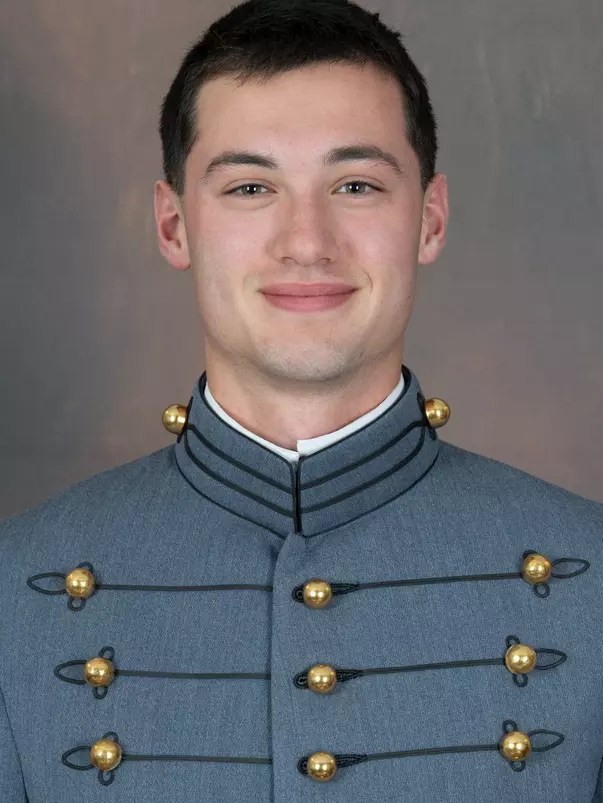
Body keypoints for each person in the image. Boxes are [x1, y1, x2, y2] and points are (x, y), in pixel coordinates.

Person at [1, 0, 602, 799]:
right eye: (250, 187)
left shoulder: (590, 576)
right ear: (174, 226)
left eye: (355, 184)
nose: (307, 241)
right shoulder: (16, 588)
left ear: (429, 218)